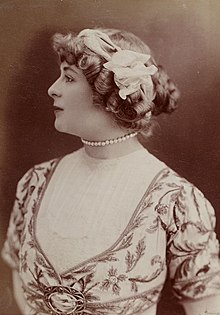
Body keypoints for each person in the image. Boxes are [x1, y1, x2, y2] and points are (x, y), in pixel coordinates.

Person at [1, 28, 220, 315]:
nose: (52, 88)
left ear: (110, 93)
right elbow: (19, 276)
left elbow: (206, 309)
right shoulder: (36, 181)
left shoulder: (175, 200)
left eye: (68, 78)